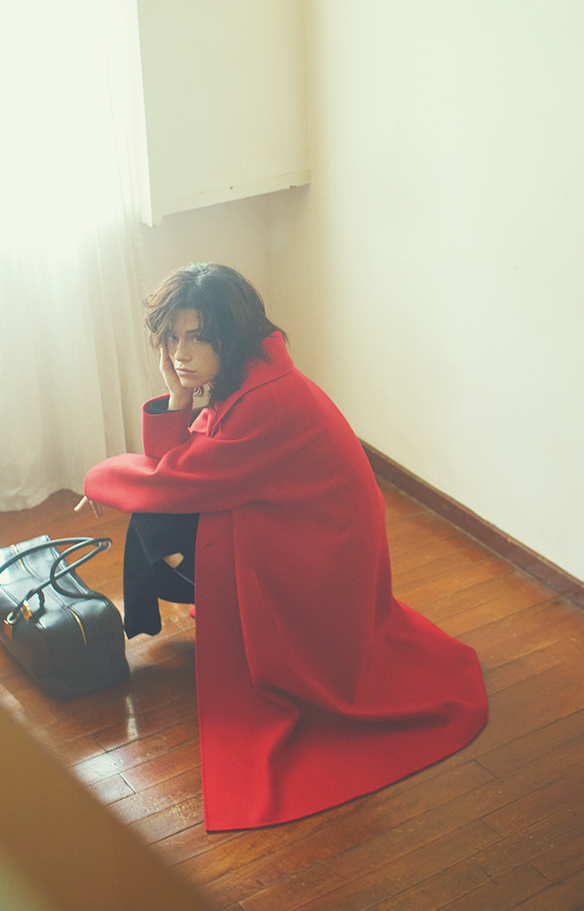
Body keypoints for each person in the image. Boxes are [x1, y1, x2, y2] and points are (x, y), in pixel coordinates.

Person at [77, 263, 488, 832]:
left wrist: (98, 478)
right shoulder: (250, 376)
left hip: (319, 558)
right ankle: (166, 606)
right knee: (156, 515)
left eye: (197, 337)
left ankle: (163, 611)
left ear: (231, 334)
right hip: (307, 534)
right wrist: (177, 395)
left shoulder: (265, 401)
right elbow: (182, 466)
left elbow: (175, 479)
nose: (180, 353)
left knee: (155, 515)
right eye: (171, 338)